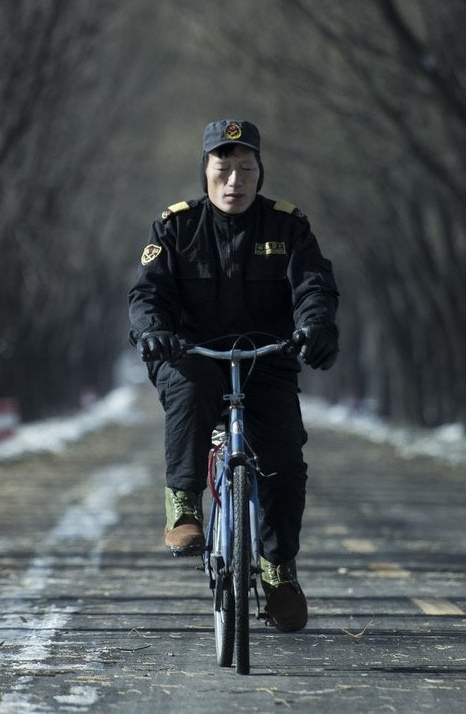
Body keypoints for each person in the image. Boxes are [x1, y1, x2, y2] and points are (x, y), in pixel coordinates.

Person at [128, 118, 339, 633]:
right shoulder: (175, 227)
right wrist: (153, 330)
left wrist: (314, 324)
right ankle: (183, 505)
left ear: (260, 172)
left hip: (267, 360)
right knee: (189, 390)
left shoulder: (289, 227)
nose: (234, 182)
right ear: (204, 171)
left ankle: (279, 570)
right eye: (223, 170)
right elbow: (147, 294)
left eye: (245, 170)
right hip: (194, 354)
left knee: (285, 460)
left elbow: (314, 285)